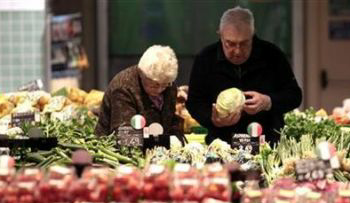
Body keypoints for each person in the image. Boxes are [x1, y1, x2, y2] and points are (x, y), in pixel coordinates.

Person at [186, 6, 302, 145]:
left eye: (244, 43)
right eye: (230, 44)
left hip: (268, 143)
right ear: (220, 35)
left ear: (253, 35)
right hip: (222, 144)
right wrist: (212, 118)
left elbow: (294, 96)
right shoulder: (205, 59)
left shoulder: (272, 55)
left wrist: (268, 101)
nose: (237, 51)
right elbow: (194, 102)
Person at [95, 45, 182, 138]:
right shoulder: (123, 88)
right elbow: (125, 135)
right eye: (154, 85)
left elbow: (170, 121)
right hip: (114, 148)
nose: (160, 89)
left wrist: (175, 137)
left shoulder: (169, 85)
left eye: (165, 84)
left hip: (156, 148)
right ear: (141, 74)